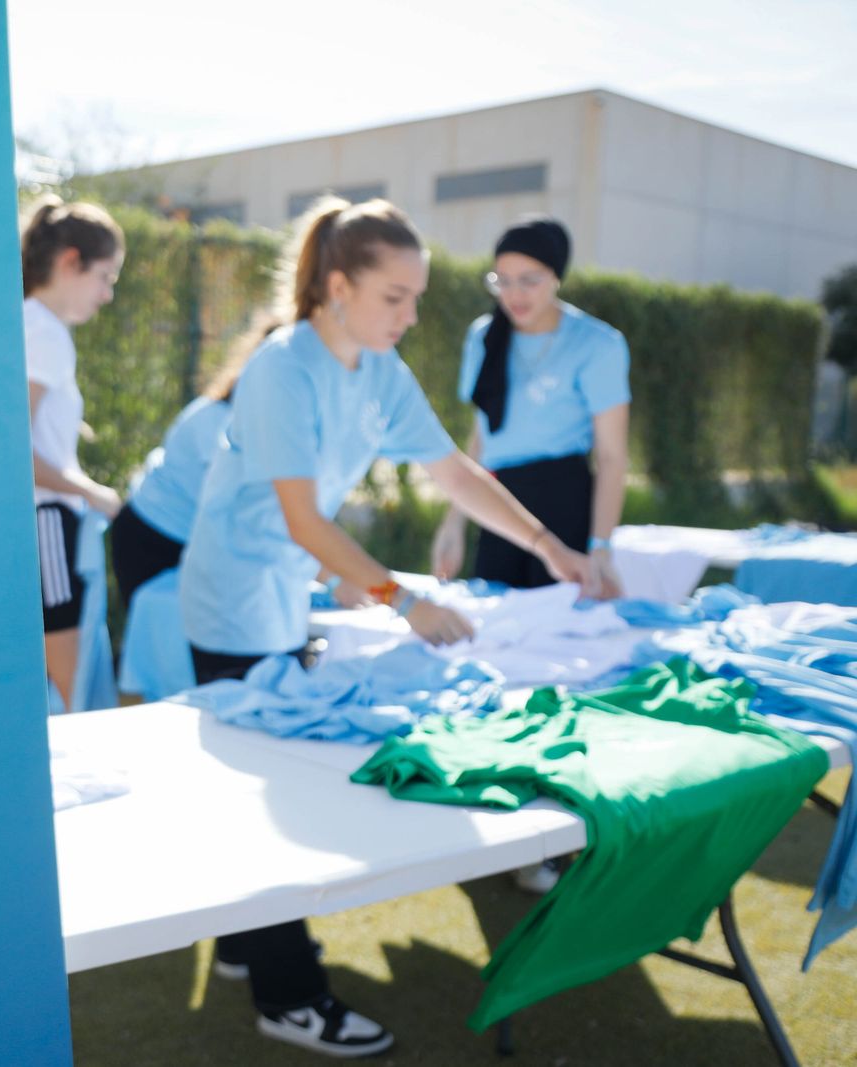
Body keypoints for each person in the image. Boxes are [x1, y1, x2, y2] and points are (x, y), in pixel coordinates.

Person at [178, 196, 596, 1056]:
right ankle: (287, 994)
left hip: (284, 597)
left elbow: (453, 471)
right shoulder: (282, 369)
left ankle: (245, 939)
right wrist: (406, 604)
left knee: (272, 777)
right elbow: (303, 520)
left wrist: (549, 543)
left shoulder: (377, 369)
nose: (411, 315)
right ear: (338, 286)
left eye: (416, 297)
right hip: (230, 599)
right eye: (394, 297)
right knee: (274, 793)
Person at [431, 216, 629, 597]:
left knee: (563, 630)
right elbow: (481, 437)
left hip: (564, 500)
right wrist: (454, 523)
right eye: (502, 280)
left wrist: (600, 548)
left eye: (529, 280)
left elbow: (611, 456)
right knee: (497, 625)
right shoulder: (484, 338)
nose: (514, 294)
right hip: (498, 502)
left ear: (556, 276)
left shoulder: (597, 344)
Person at [21, 195, 125, 713]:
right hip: (46, 521)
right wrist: (95, 493)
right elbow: (15, 451)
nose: (107, 295)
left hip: (46, 523)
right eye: (104, 277)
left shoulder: (29, 323)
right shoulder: (44, 332)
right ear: (69, 263)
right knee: (66, 692)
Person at [109, 312, 279, 618]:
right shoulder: (221, 423)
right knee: (166, 647)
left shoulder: (261, 422)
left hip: (183, 546)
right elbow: (240, 518)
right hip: (149, 541)